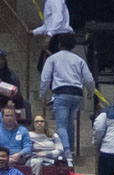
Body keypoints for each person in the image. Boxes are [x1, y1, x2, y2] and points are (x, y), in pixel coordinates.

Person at [37, 34, 92, 162]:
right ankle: (70, 149)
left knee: (61, 125)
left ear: (59, 44)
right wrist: (90, 91)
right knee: (69, 122)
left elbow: (45, 78)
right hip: (77, 94)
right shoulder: (79, 59)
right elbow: (89, 78)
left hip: (61, 93)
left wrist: (42, 94)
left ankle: (66, 151)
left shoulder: (53, 58)